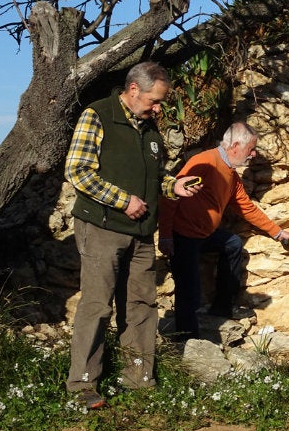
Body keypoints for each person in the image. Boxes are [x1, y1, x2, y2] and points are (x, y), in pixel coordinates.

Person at [65, 61, 200, 410]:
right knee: (96, 306)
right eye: (155, 100)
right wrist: (123, 201)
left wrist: (174, 186)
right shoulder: (97, 115)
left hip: (141, 234)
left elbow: (155, 177)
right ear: (134, 89)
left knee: (141, 307)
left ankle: (138, 380)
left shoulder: (149, 129)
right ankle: (82, 387)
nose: (158, 108)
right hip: (102, 228)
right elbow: (78, 171)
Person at [158, 122, 289, 341]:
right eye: (250, 149)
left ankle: (222, 307)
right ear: (234, 145)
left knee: (232, 243)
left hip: (204, 235)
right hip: (183, 236)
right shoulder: (204, 162)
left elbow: (245, 207)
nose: (253, 154)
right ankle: (187, 342)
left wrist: (278, 233)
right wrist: (166, 235)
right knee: (189, 292)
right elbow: (170, 196)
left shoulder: (231, 174)